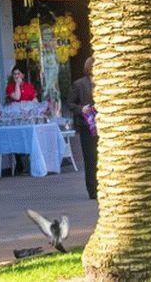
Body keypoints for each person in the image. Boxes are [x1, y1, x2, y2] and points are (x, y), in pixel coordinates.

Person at [67, 57, 97, 200]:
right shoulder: (79, 84)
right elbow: (70, 103)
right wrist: (81, 109)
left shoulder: (103, 83)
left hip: (102, 124)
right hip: (87, 125)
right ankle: (92, 190)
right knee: (90, 158)